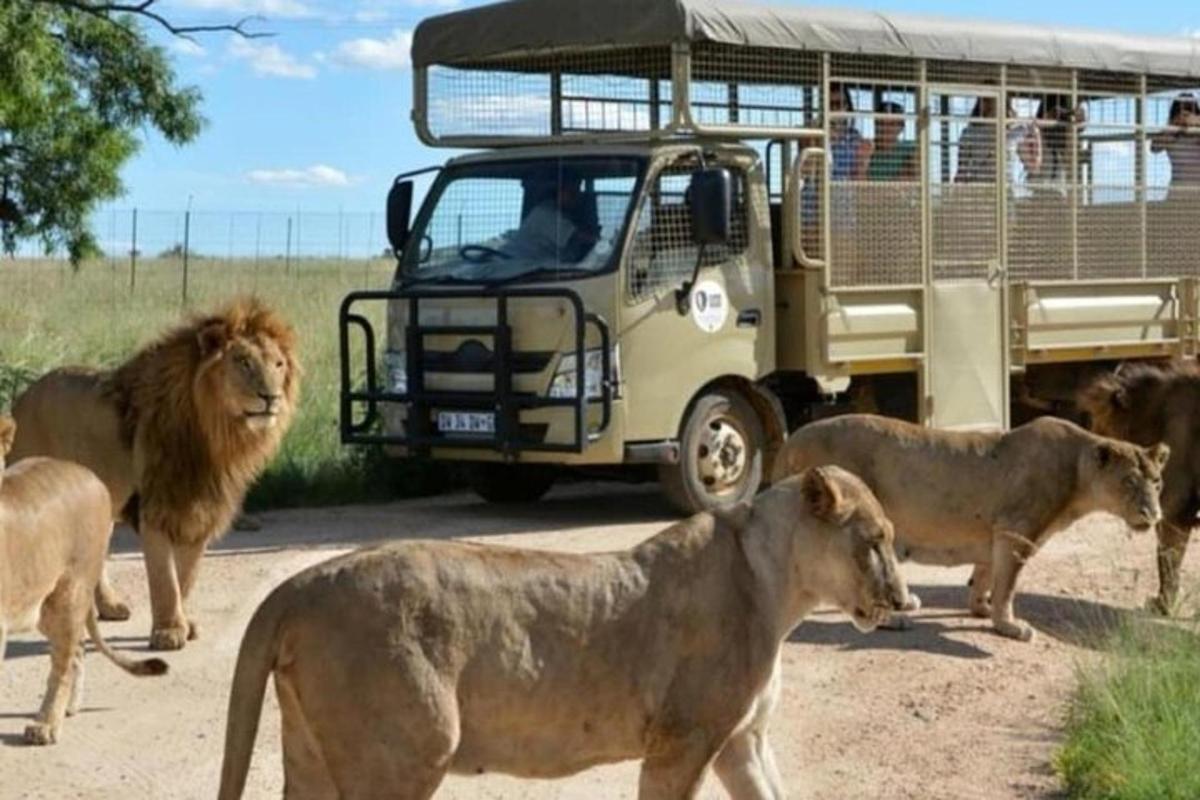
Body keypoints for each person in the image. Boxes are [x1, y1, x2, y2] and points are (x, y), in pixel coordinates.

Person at [504, 173, 597, 262]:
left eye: (578, 191)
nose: (577, 196)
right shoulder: (544, 213)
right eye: (571, 193)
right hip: (520, 268)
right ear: (557, 192)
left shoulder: (565, 214)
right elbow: (583, 237)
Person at [956, 95, 1041, 183]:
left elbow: (1032, 164)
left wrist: (1034, 135)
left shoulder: (1016, 132)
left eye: (991, 101)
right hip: (980, 189)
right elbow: (962, 171)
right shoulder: (969, 133)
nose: (987, 105)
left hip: (1005, 189)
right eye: (985, 100)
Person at [1151, 93, 1200, 194]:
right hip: (1178, 191)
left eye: (1189, 108)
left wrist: (1197, 123)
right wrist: (1175, 125)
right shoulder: (1170, 133)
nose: (1186, 114)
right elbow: (1154, 148)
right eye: (1181, 109)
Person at [868, 100, 917, 181]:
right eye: (882, 123)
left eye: (892, 124)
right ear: (875, 124)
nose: (886, 128)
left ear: (901, 127)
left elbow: (912, 181)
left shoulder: (910, 148)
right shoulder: (867, 149)